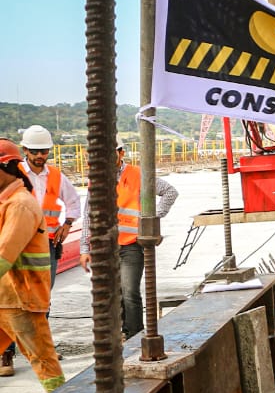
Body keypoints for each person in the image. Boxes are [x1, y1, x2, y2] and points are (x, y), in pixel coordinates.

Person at [0, 125, 80, 377]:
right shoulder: (13, 181)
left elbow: (74, 202)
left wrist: (68, 224)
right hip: (13, 261)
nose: (39, 156)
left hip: (40, 255)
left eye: (43, 151)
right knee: (15, 306)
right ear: (24, 151)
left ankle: (41, 357)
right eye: (34, 151)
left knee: (40, 304)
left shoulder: (51, 180)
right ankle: (8, 355)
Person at [80, 137, 178, 339]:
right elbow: (88, 213)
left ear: (120, 153)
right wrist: (85, 248)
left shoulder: (137, 175)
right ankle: (124, 332)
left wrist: (152, 217)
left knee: (130, 291)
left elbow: (170, 192)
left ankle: (135, 334)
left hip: (131, 245)